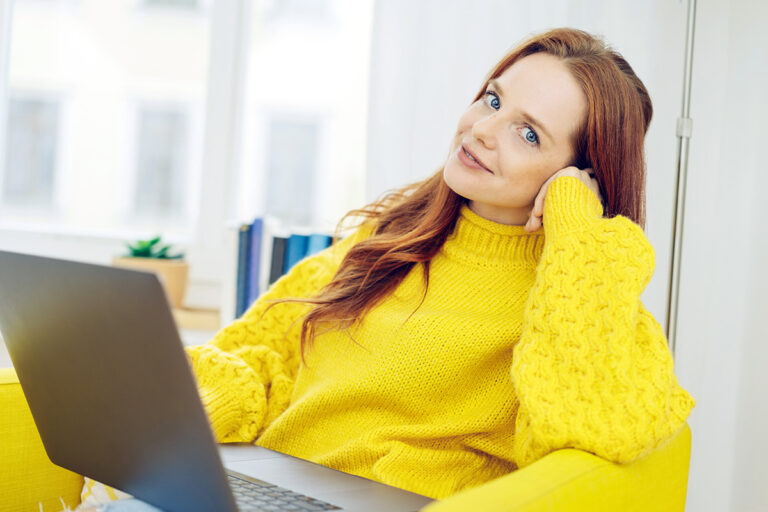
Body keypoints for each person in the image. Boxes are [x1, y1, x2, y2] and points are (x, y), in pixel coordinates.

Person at [88, 27, 696, 510]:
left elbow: (593, 429)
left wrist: (577, 227)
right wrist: (183, 403)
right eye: (492, 99)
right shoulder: (391, 235)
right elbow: (264, 354)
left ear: (580, 174)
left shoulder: (585, 299)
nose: (483, 130)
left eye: (528, 134)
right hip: (263, 489)